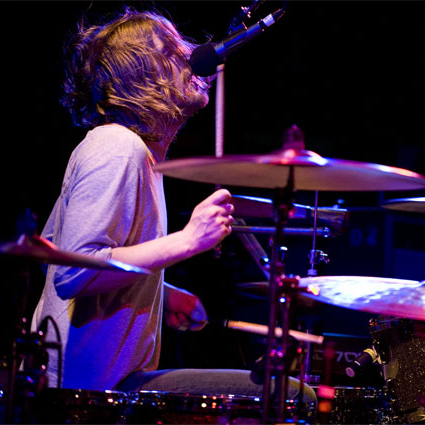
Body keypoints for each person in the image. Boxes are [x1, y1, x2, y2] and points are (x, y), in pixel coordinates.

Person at [30, 7, 316, 406]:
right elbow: (73, 271)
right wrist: (188, 240)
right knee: (292, 397)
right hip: (86, 397)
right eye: (169, 51)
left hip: (108, 385)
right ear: (138, 77)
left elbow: (49, 251)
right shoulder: (116, 146)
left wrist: (162, 294)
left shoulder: (137, 153)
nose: (189, 55)